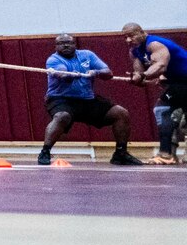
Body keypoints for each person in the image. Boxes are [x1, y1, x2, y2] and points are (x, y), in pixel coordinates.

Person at [39, 33, 137, 166]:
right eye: (62, 43)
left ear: (75, 44)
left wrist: (95, 72)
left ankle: (121, 153)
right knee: (62, 116)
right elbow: (64, 75)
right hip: (61, 99)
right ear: (56, 46)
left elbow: (108, 73)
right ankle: (45, 152)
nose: (66, 45)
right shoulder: (53, 60)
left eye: (69, 42)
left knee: (121, 113)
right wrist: (73, 75)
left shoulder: (87, 55)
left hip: (87, 99)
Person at [127, 22, 187, 165]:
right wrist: (136, 79)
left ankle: (166, 154)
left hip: (183, 81)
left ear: (142, 32)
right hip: (178, 83)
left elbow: (160, 66)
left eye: (131, 36)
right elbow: (140, 75)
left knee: (162, 110)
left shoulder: (154, 44)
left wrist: (144, 76)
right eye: (126, 37)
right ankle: (168, 154)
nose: (128, 40)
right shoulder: (135, 51)